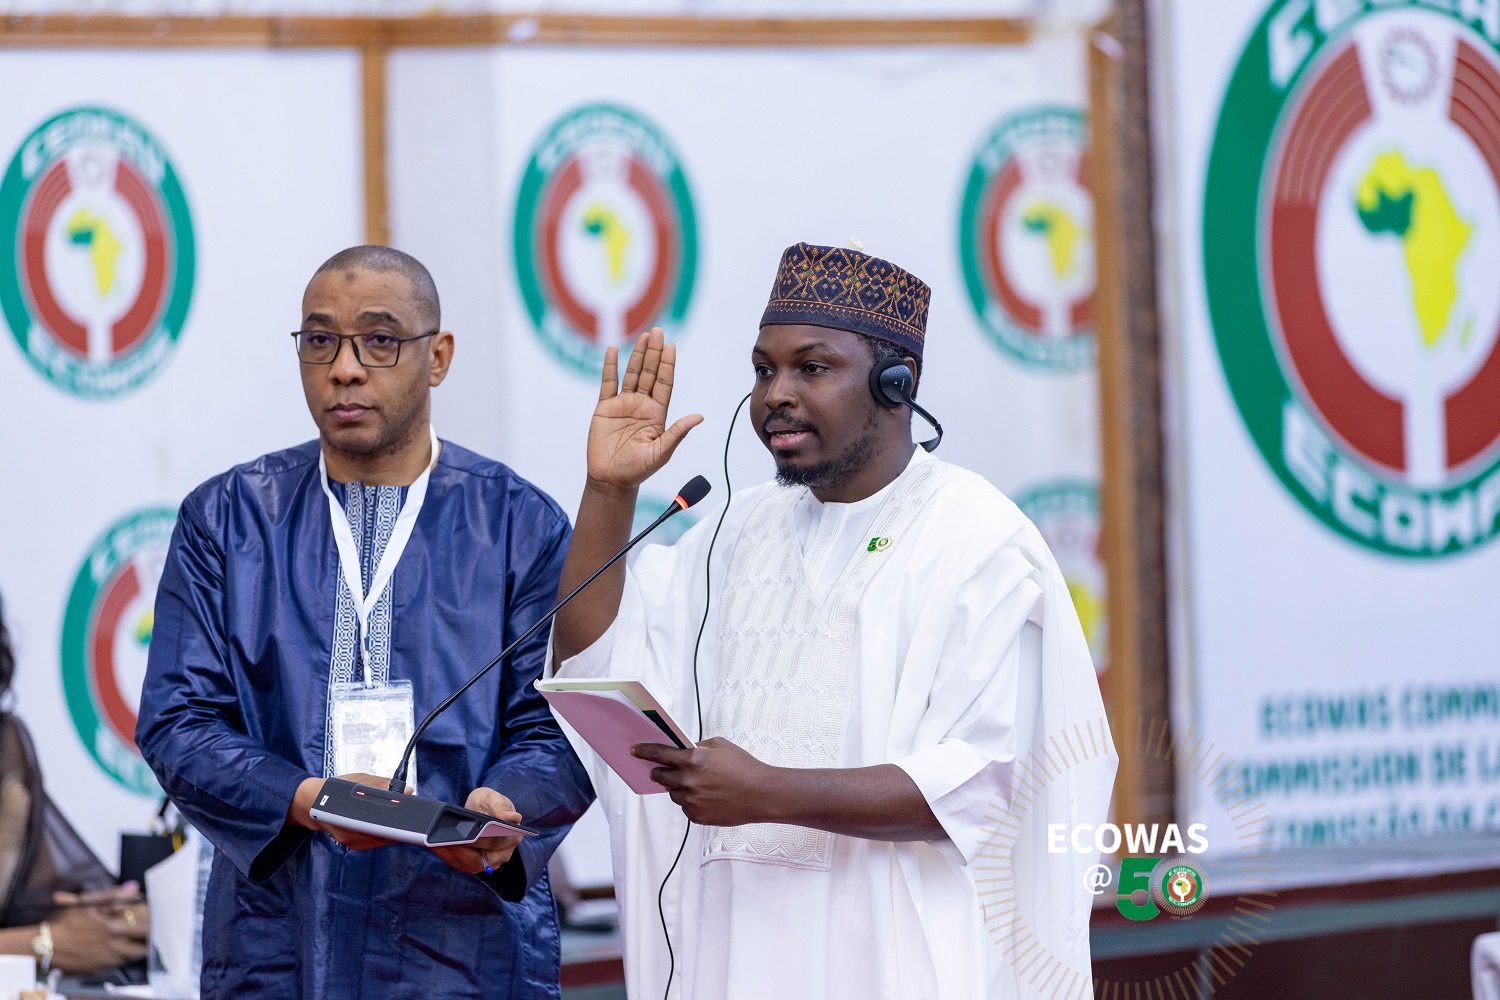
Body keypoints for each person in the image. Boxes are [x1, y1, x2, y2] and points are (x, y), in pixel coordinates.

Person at [550, 242, 1117, 1000]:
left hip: (895, 966)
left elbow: (985, 780)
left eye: (811, 368)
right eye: (763, 371)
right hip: (734, 956)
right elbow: (594, 662)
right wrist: (608, 490)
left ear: (895, 384)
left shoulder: (978, 539)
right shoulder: (734, 530)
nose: (775, 396)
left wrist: (768, 791)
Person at [136, 246, 593, 999]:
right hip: (276, 935)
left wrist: (506, 803)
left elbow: (559, 728)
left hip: (460, 943)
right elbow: (177, 722)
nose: (345, 369)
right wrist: (305, 798)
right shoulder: (229, 520)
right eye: (321, 341)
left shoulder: (517, 525)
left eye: (379, 340)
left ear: (437, 357)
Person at [0, 594, 149, 977]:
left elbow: (34, 895)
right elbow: (56, 939)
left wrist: (110, 920)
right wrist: (45, 944)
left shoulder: (7, 745)